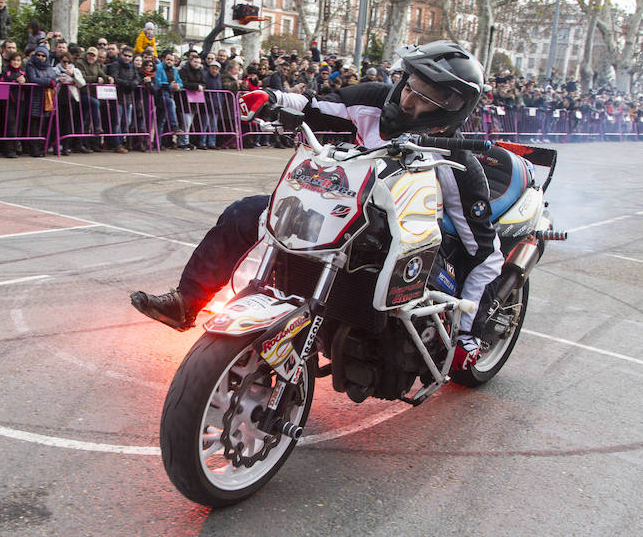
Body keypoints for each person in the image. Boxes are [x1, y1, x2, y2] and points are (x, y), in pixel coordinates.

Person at [131, 40, 504, 370]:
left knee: (461, 262)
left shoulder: (460, 164)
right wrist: (273, 100)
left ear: (451, 107)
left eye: (425, 97)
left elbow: (485, 255)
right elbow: (314, 104)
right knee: (244, 212)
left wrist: (468, 335)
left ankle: (425, 339)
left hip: (404, 236)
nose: (408, 99)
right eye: (410, 85)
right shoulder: (376, 98)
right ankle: (187, 302)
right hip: (347, 206)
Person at [106, 45, 141, 154]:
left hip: (129, 98)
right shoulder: (115, 65)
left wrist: (133, 84)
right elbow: (115, 78)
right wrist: (127, 84)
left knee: (127, 122)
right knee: (117, 121)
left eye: (129, 56)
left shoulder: (133, 67)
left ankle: (121, 141)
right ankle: (117, 144)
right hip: (117, 97)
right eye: (125, 55)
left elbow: (137, 78)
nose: (127, 58)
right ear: (121, 55)